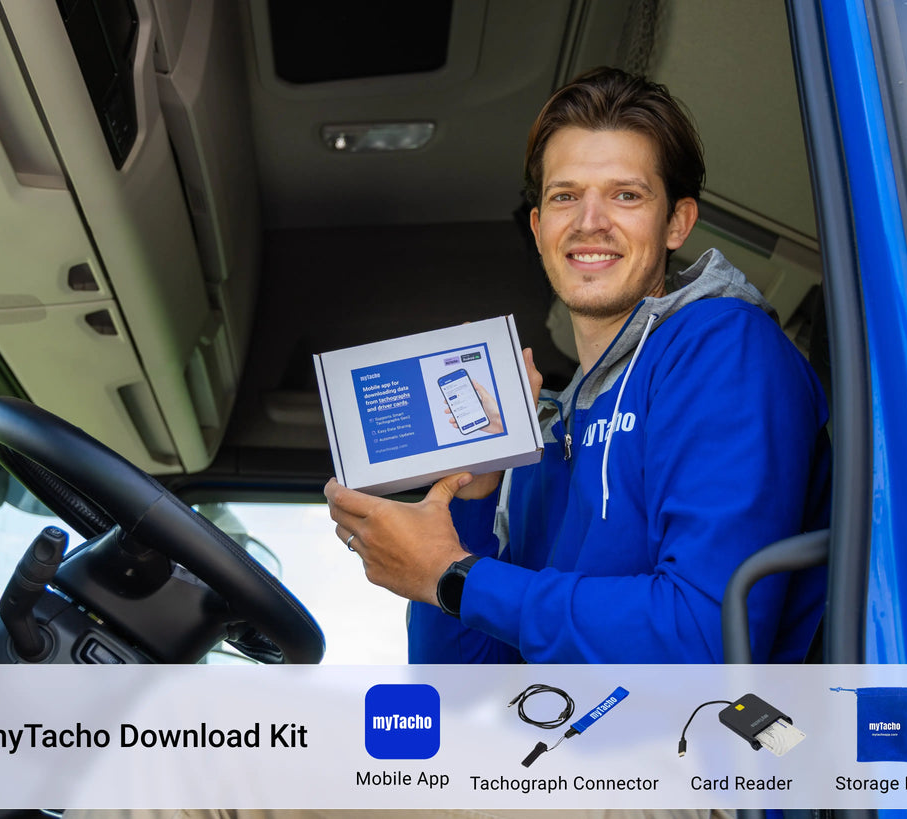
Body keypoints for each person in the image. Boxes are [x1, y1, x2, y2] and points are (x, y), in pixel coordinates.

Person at [325, 67, 831, 665]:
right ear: (539, 229)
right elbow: (460, 691)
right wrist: (474, 498)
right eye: (565, 196)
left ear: (676, 223)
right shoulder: (545, 429)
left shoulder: (722, 347)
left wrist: (452, 576)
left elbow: (705, 639)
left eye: (626, 194)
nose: (590, 221)